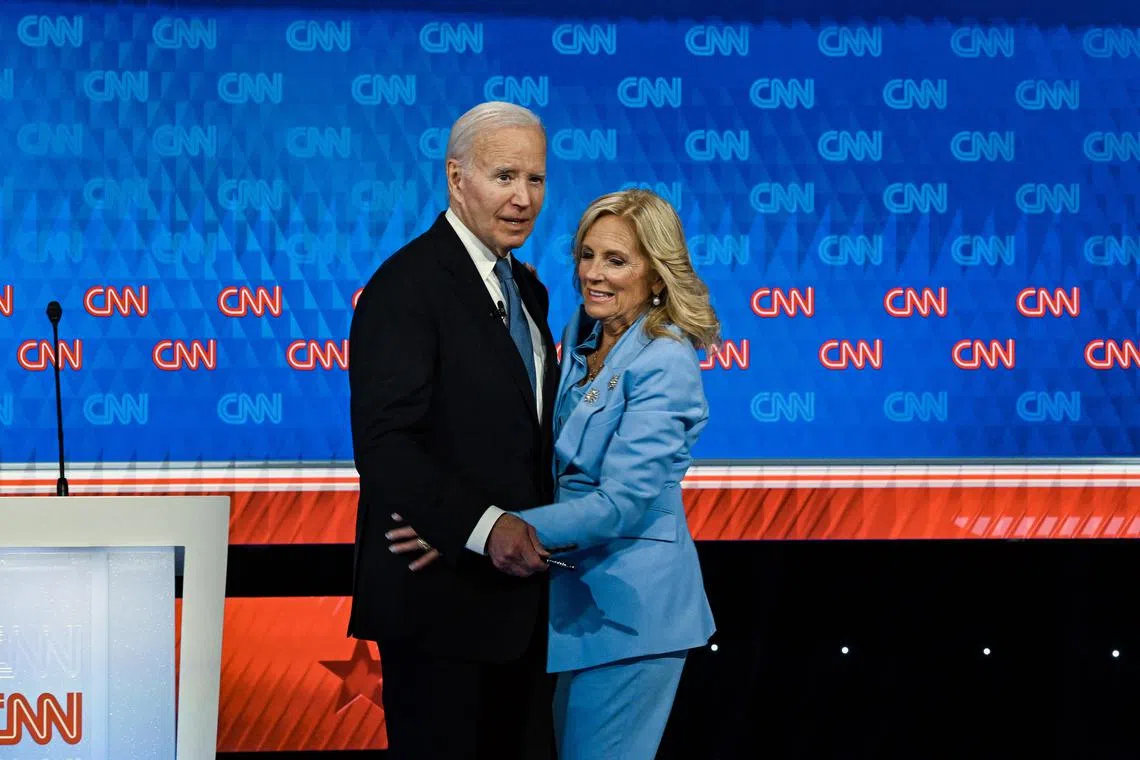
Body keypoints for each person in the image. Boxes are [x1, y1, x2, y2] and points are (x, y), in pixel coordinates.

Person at [390, 188, 720, 759]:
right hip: (578, 606)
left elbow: (623, 504)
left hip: (634, 615)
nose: (594, 274)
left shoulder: (665, 361)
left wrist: (482, 528)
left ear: (657, 274)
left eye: (616, 260)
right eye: (587, 255)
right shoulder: (580, 334)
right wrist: (455, 515)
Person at [347, 101, 560, 760]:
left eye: (536, 179)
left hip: (524, 611)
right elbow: (385, 444)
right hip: (439, 607)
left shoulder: (529, 289)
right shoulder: (405, 287)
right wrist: (482, 526)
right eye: (504, 177)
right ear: (456, 177)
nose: (523, 198)